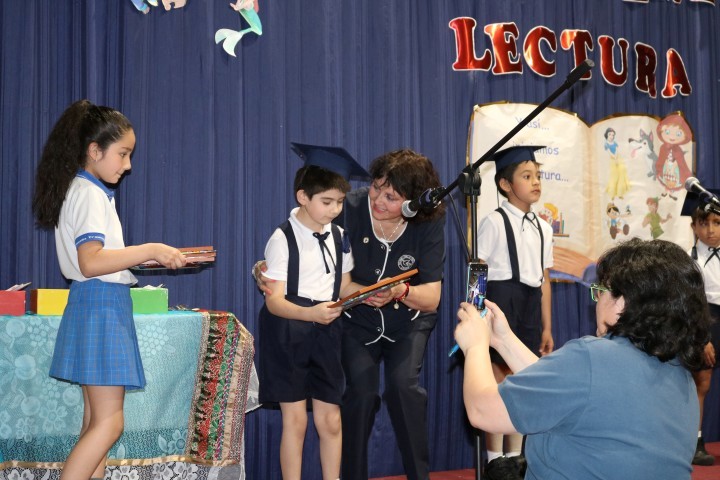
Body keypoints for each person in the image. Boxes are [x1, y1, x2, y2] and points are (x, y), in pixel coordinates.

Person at [255, 148, 445, 480]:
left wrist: (394, 291)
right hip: (335, 324)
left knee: (400, 390)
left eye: (391, 196)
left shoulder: (422, 223)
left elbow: (428, 297)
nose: (378, 200)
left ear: (412, 201)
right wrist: (264, 270)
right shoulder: (340, 211)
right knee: (353, 397)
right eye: (376, 188)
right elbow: (290, 260)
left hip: (395, 321)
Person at [454, 238, 711, 480]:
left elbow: (483, 411)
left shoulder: (592, 357)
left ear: (623, 302)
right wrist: (503, 339)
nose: (596, 300)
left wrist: (475, 346)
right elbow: (560, 390)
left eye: (600, 291)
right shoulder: (682, 376)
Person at [32, 99, 187, 480]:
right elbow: (91, 262)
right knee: (109, 424)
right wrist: (150, 249)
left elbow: (96, 260)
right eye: (122, 153)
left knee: (95, 424)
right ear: (94, 150)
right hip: (101, 306)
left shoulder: (82, 190)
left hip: (93, 303)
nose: (127, 165)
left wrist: (139, 259)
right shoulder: (88, 194)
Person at [257, 143, 368, 480]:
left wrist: (369, 294)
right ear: (303, 196)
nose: (334, 210)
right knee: (296, 421)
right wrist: (311, 314)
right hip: (289, 329)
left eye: (340, 202)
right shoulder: (282, 238)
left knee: (331, 419)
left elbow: (343, 286)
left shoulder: (340, 236)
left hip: (327, 329)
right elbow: (274, 301)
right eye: (327, 201)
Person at [474, 145, 554, 480]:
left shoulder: (544, 228)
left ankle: (516, 458)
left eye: (538, 176)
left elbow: (544, 279)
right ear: (506, 185)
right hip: (500, 300)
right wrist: (476, 316)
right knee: (497, 383)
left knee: (524, 381)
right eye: (526, 176)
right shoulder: (493, 222)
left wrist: (547, 327)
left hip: (530, 303)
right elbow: (478, 271)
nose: (535, 182)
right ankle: (495, 460)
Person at [682, 190, 720, 466]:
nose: (711, 230)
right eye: (704, 224)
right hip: (705, 320)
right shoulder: (690, 259)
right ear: (694, 227)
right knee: (701, 383)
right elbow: (691, 303)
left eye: (717, 223)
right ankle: (695, 443)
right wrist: (702, 338)